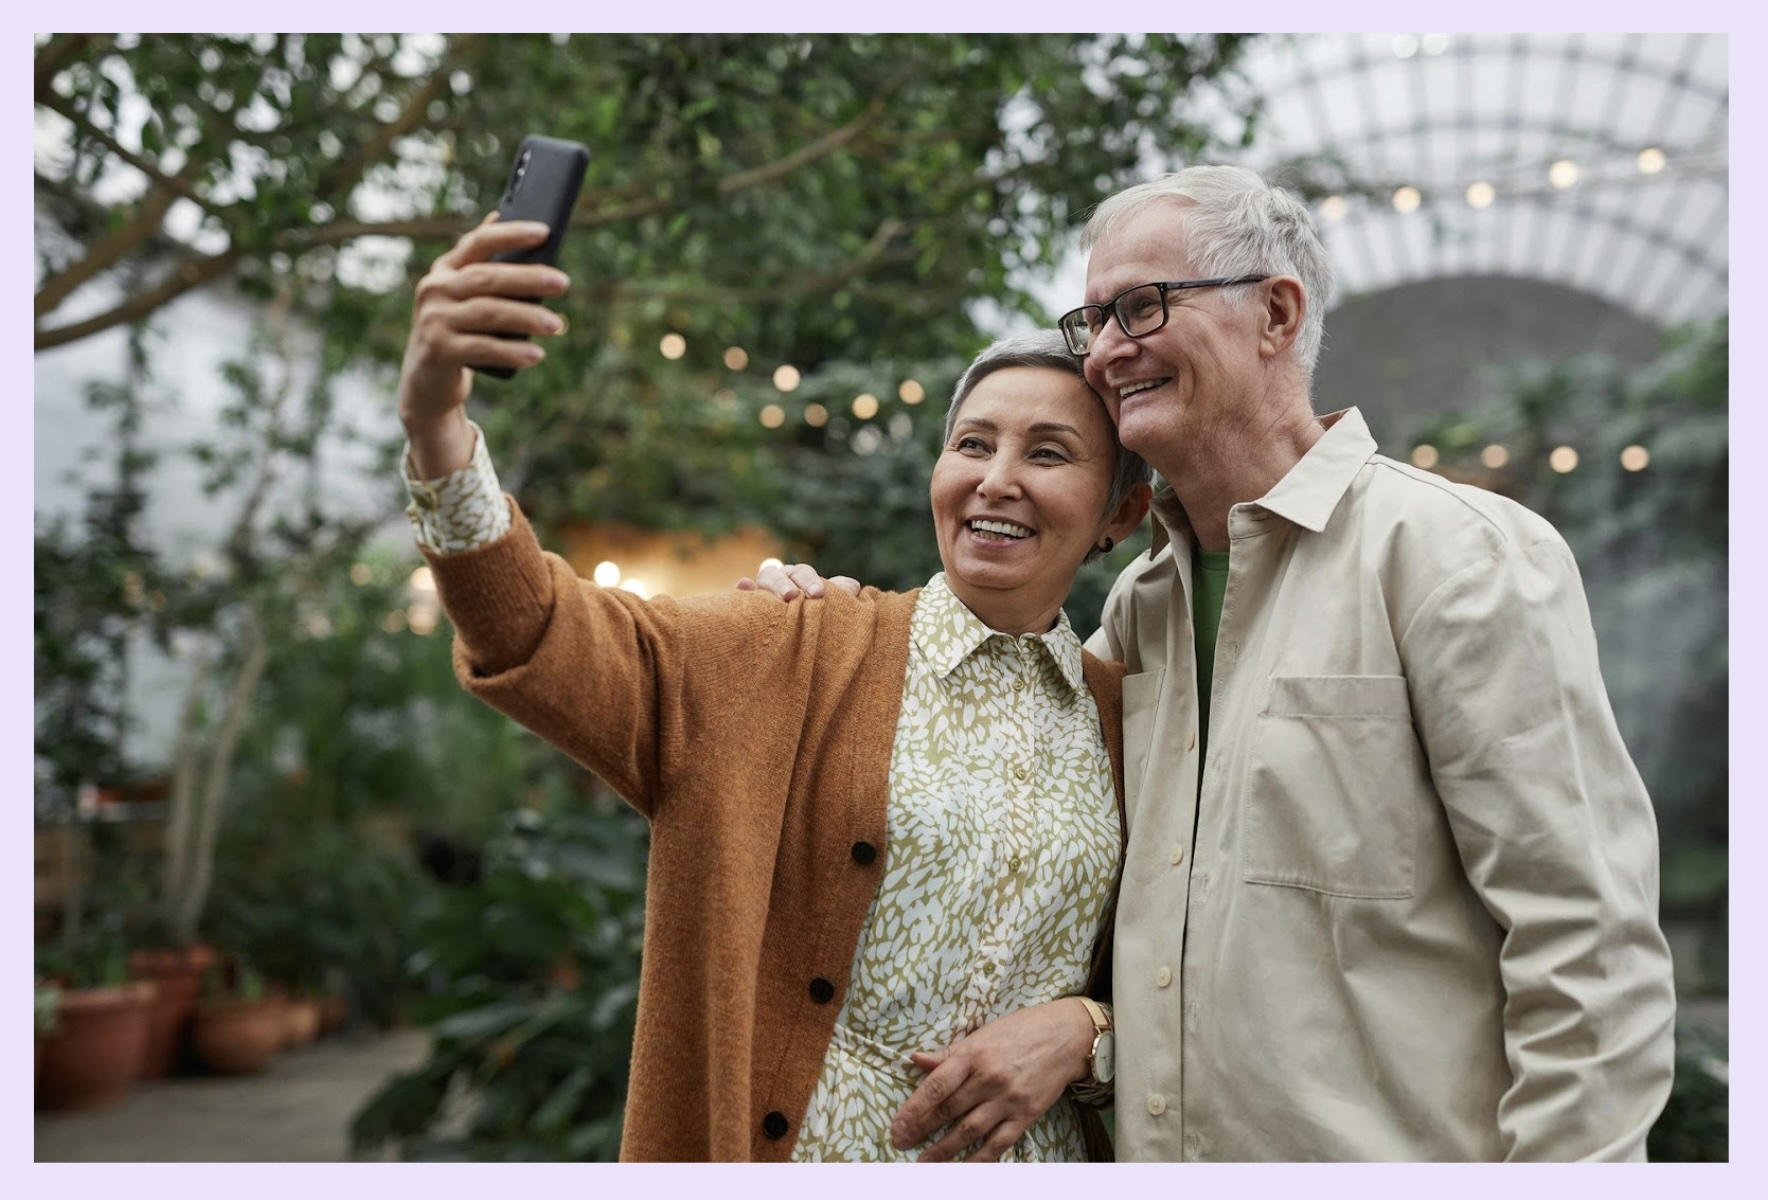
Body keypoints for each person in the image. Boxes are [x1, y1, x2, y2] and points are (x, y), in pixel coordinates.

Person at [749, 165, 1678, 1162]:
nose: (1108, 350)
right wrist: (824, 637)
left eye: (1141, 307)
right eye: (1093, 320)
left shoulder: (1454, 556)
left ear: (1276, 314)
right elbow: (1083, 897)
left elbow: (1587, 952)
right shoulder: (1138, 612)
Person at [395, 215, 1153, 1162]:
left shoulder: (1135, 717)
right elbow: (534, 631)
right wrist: (435, 423)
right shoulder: (790, 649)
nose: (996, 480)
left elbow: (1193, 974)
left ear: (1122, 511)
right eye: (971, 444)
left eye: (1047, 453)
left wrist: (1091, 1029)